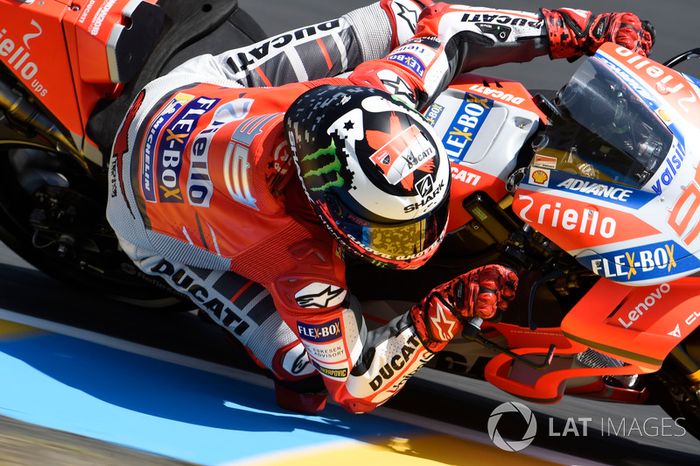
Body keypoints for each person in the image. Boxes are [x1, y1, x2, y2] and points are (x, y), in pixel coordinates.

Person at [107, 0, 654, 414]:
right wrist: (446, 310)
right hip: (139, 215)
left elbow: (445, 26)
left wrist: (577, 30)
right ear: (324, 214)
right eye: (391, 231)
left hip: (190, 96)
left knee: (398, 17)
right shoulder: (300, 265)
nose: (416, 239)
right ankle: (161, 261)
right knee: (303, 376)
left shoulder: (379, 90)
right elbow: (355, 387)